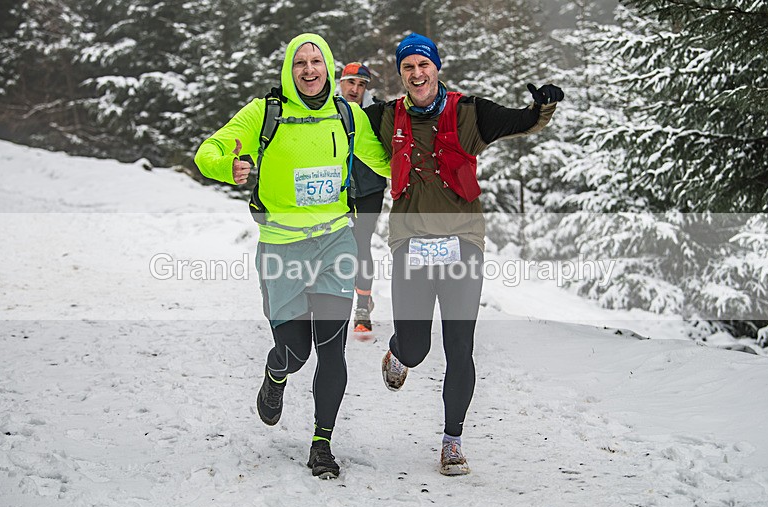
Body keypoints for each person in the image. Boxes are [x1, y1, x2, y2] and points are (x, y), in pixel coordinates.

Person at [363, 33, 564, 476]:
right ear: (401, 74)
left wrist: (543, 106)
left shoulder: (469, 111)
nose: (417, 74)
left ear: (437, 67)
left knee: (460, 346)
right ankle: (399, 352)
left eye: (424, 65)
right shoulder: (382, 116)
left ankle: (452, 440)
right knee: (416, 347)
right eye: (408, 67)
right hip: (411, 242)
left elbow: (523, 121)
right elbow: (337, 132)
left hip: (463, 242)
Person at [194, 33, 390, 479]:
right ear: (289, 68)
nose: (308, 69)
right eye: (299, 61)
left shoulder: (347, 115)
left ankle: (322, 443)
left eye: (316, 61)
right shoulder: (266, 113)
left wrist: (432, 173)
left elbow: (383, 162)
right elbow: (208, 151)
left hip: (335, 242)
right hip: (282, 247)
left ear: (329, 66)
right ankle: (276, 372)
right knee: (295, 352)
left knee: (331, 350)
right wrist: (230, 166)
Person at [337, 62, 388, 338]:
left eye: (361, 85)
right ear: (341, 83)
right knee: (338, 244)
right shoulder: (328, 109)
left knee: (361, 243)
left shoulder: (376, 111)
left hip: (369, 189)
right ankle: (337, 300)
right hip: (337, 191)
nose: (355, 89)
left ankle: (362, 307)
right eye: (351, 83)